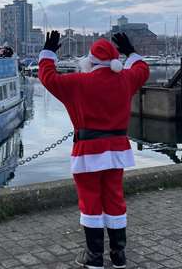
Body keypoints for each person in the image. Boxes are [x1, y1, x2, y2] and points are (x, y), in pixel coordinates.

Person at [38, 31, 149, 269]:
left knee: (90, 201)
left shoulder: (78, 82)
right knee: (115, 199)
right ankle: (119, 255)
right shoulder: (126, 80)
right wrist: (131, 51)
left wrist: (48, 52)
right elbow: (142, 70)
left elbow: (48, 77)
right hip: (117, 151)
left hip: (88, 152)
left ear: (90, 61)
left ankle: (94, 256)